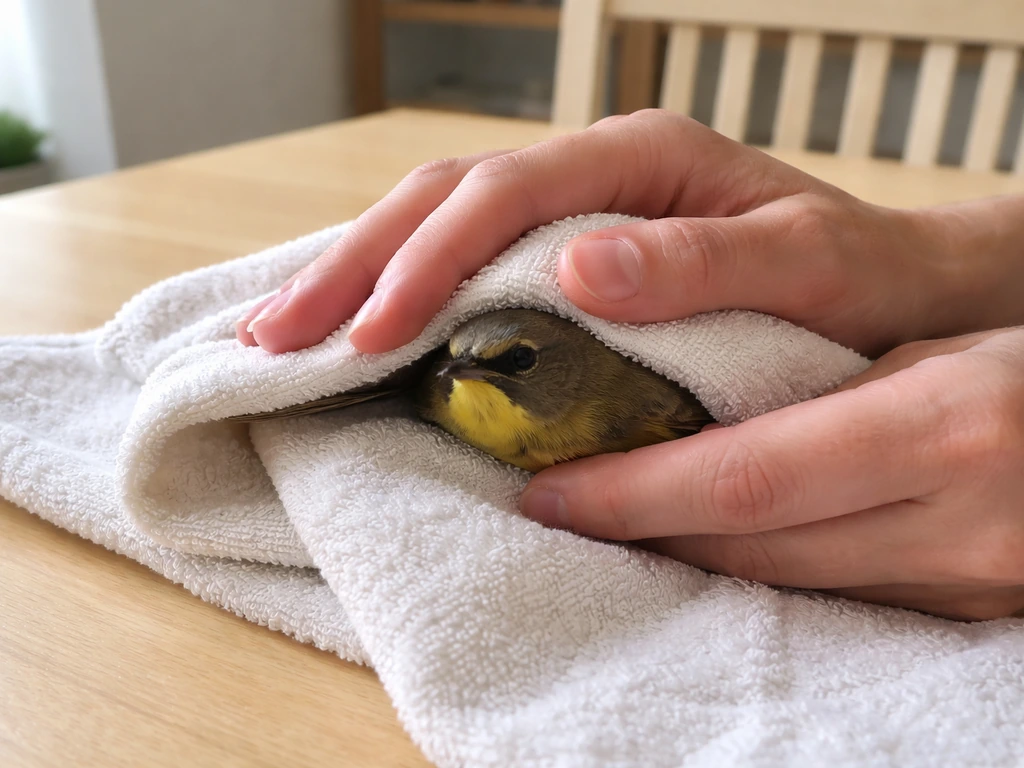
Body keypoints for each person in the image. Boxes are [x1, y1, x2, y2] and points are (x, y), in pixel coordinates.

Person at [236, 110, 1024, 621]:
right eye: (445, 366)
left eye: (511, 363)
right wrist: (941, 262)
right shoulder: (444, 386)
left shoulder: (639, 414)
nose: (454, 374)